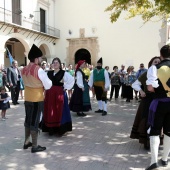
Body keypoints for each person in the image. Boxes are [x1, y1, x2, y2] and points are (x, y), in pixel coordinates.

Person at [21, 44, 52, 153]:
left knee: (28, 119)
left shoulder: (24, 69)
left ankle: (26, 142)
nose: (40, 59)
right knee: (35, 121)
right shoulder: (38, 69)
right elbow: (48, 85)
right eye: (40, 58)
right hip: (37, 99)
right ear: (36, 58)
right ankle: (34, 146)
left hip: (27, 98)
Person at [145, 45, 170, 170]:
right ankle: (165, 159)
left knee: (155, 131)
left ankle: (153, 162)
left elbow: (150, 88)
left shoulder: (155, 68)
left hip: (160, 102)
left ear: (161, 54)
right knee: (169, 132)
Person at [130, 57, 161, 150]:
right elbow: (135, 84)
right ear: (151, 63)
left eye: (159, 62)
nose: (157, 63)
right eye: (155, 62)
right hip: (147, 100)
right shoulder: (146, 74)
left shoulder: (162, 73)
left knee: (157, 120)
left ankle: (158, 141)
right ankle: (146, 142)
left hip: (158, 100)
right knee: (146, 119)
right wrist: (141, 91)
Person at [43, 57, 74, 136]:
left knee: (60, 110)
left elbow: (72, 80)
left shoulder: (64, 73)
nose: (55, 64)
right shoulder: (48, 73)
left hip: (60, 94)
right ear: (52, 64)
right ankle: (51, 128)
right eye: (54, 62)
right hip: (50, 95)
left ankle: (61, 129)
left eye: (57, 62)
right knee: (51, 110)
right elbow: (44, 82)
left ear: (60, 64)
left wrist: (65, 87)